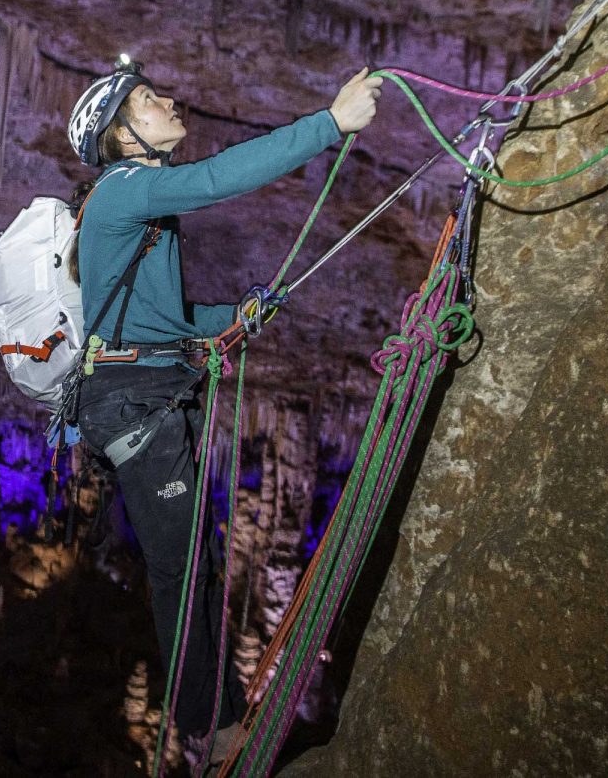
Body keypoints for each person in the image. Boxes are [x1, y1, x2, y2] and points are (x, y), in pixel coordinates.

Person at [66, 57, 380, 768]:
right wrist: (329, 124)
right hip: (135, 406)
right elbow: (217, 178)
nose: (169, 100)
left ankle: (220, 717)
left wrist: (229, 317)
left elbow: (163, 321)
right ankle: (210, 731)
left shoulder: (136, 207)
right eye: (148, 100)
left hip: (148, 397)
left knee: (197, 566)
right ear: (122, 137)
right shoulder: (123, 193)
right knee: (181, 572)